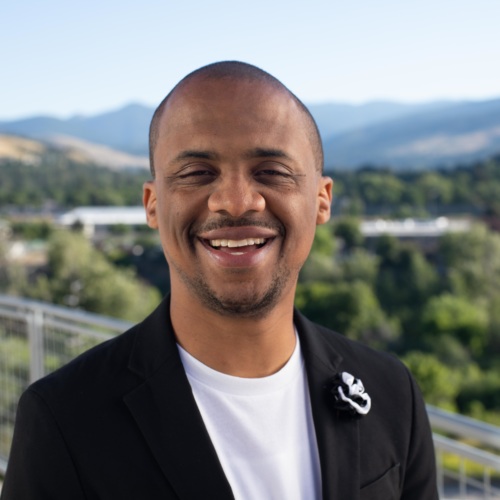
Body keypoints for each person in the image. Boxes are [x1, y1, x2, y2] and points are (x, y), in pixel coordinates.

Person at [1, 61, 438, 500]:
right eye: (197, 174)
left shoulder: (391, 392)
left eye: (270, 171)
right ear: (153, 205)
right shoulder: (65, 420)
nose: (234, 201)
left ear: (321, 200)